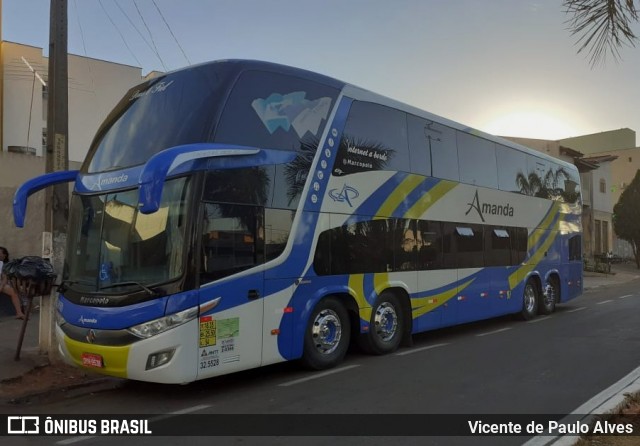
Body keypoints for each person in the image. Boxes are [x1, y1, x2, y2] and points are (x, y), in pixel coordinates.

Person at [0, 246, 27, 319]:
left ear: (5, 255)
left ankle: (19, 313)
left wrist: (1, 287)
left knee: (13, 292)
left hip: (1, 283)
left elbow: (4, 277)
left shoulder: (3, 264)